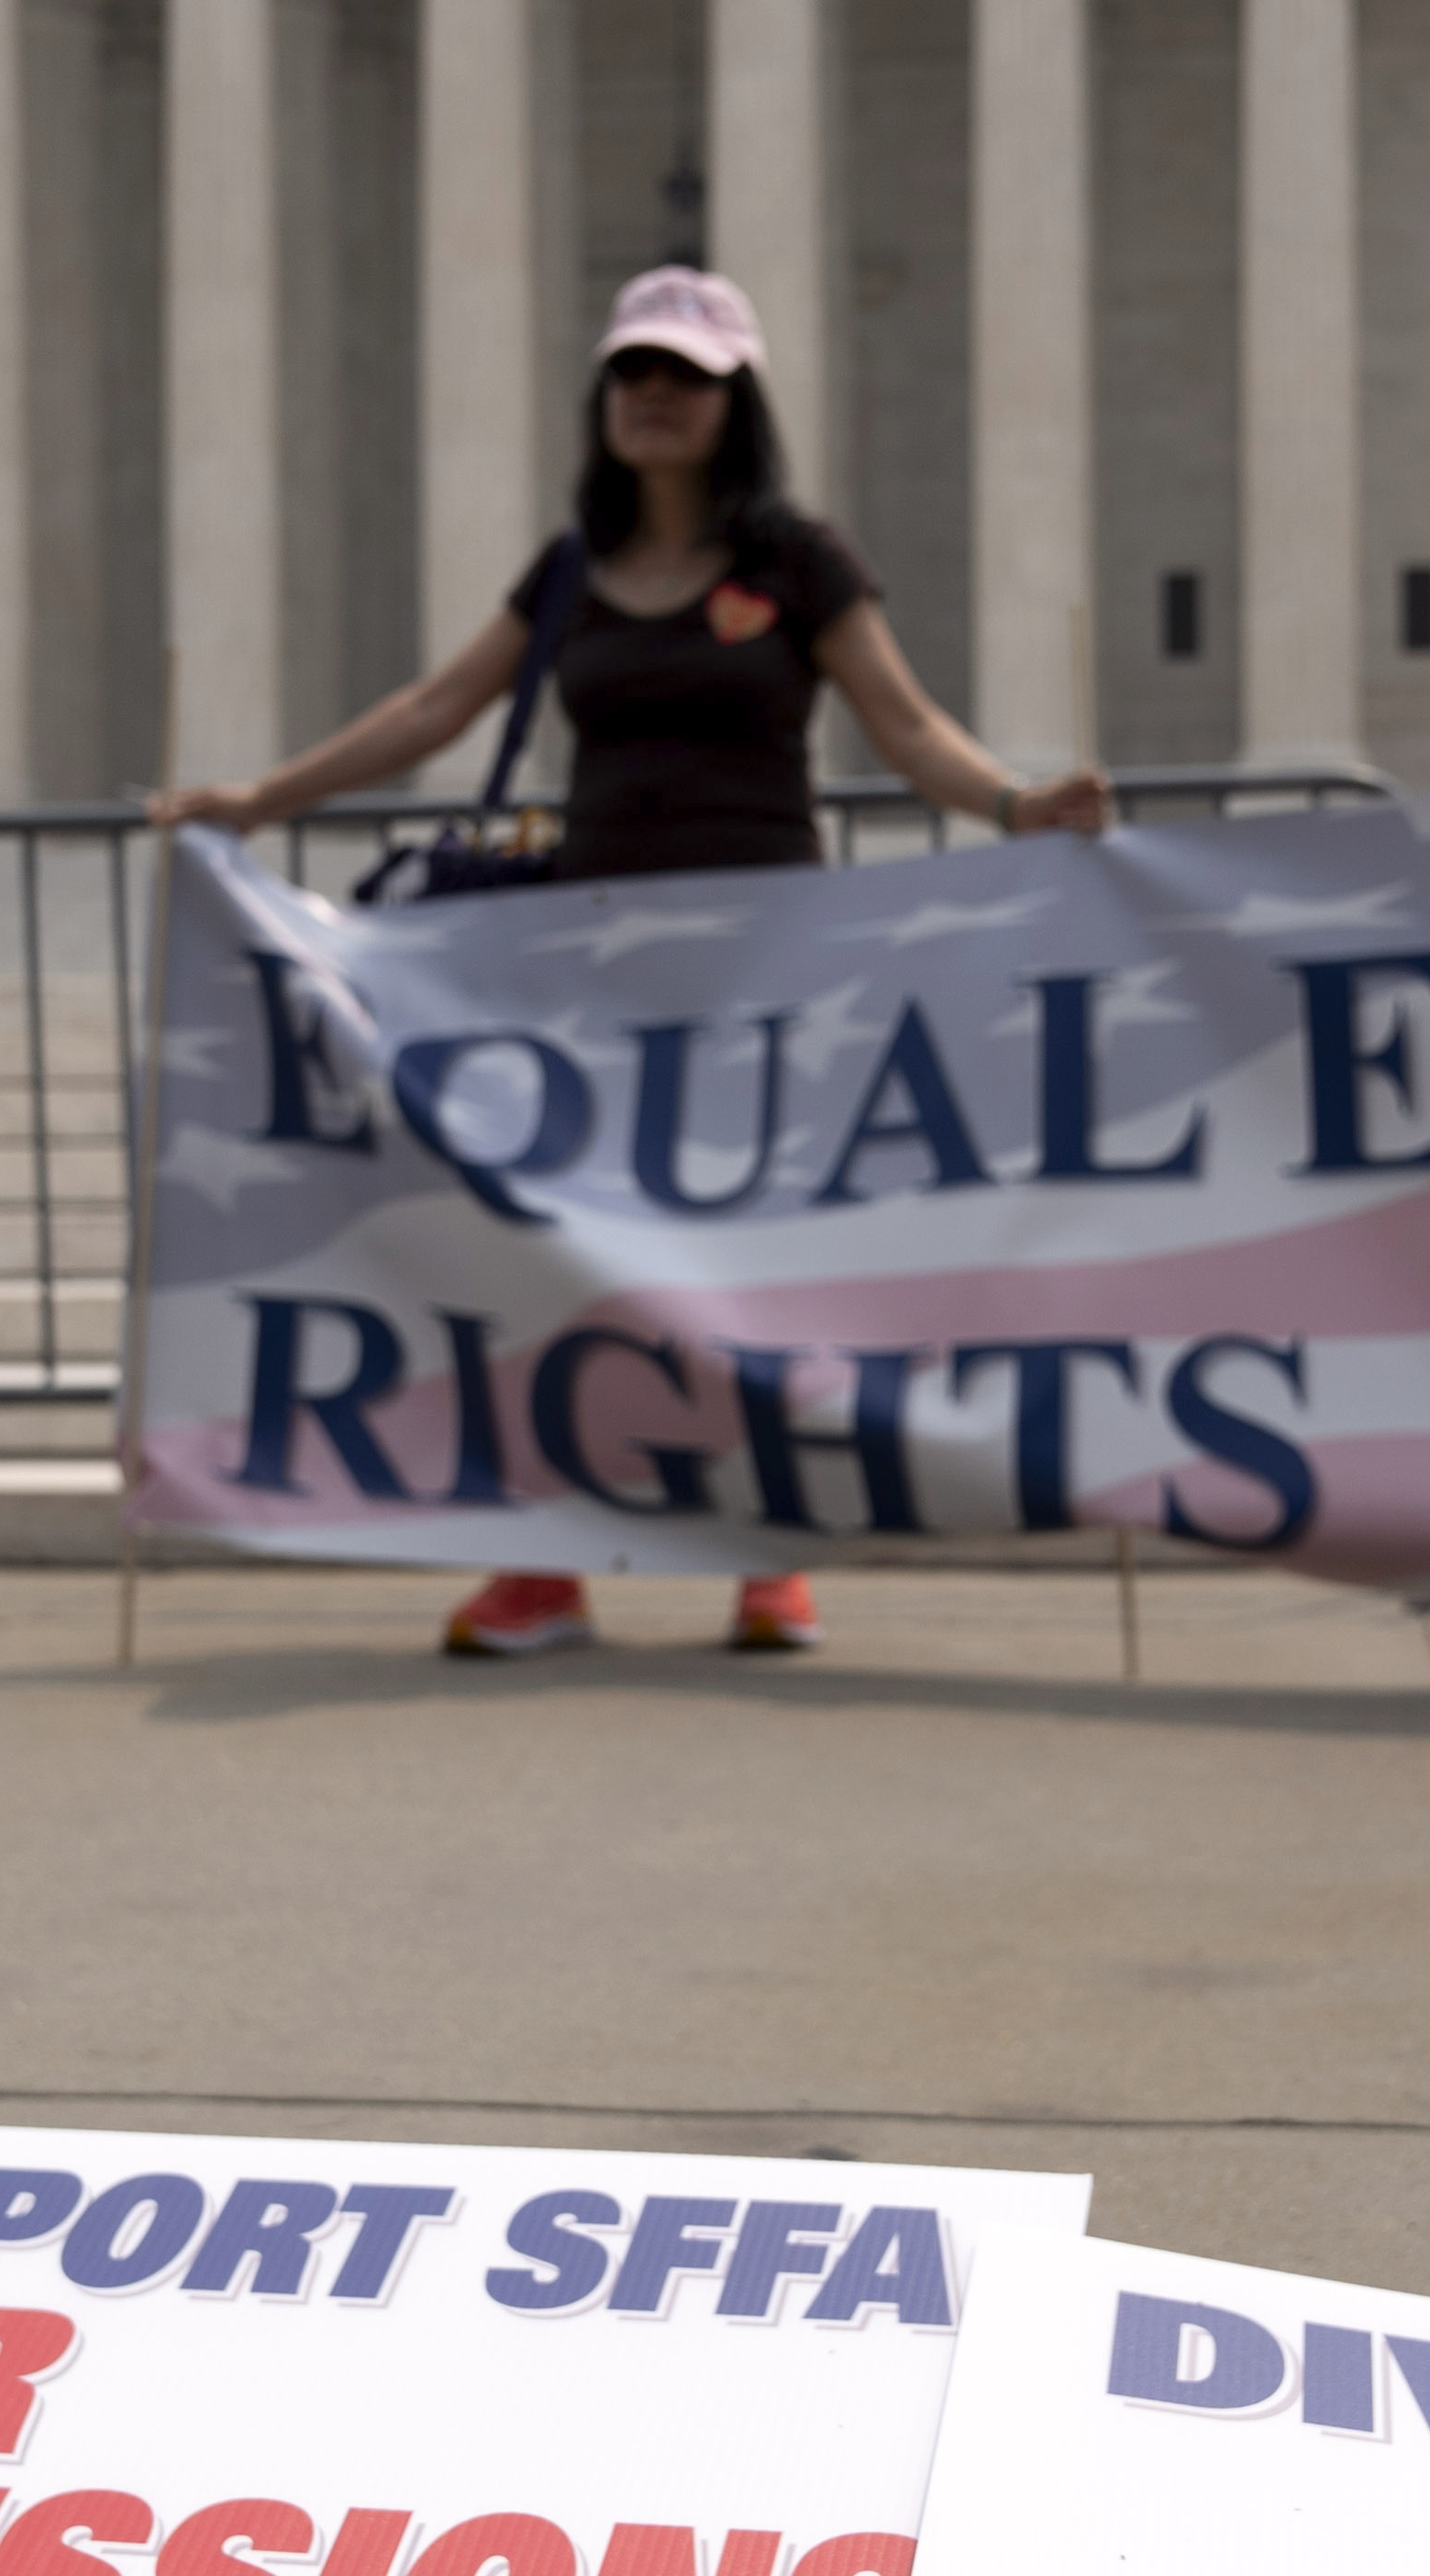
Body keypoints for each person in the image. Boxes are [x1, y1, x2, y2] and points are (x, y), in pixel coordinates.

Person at [154, 264, 1106, 1662]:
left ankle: (771, 1560)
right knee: (557, 1264)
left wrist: (1019, 806)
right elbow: (433, 708)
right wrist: (254, 801)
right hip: (585, 965)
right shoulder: (566, 575)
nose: (656, 394)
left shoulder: (799, 563)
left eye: (688, 374)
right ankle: (542, 1570)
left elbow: (903, 726)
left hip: (764, 961)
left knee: (752, 1271)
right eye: (634, 371)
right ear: (604, 397)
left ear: (736, 402)